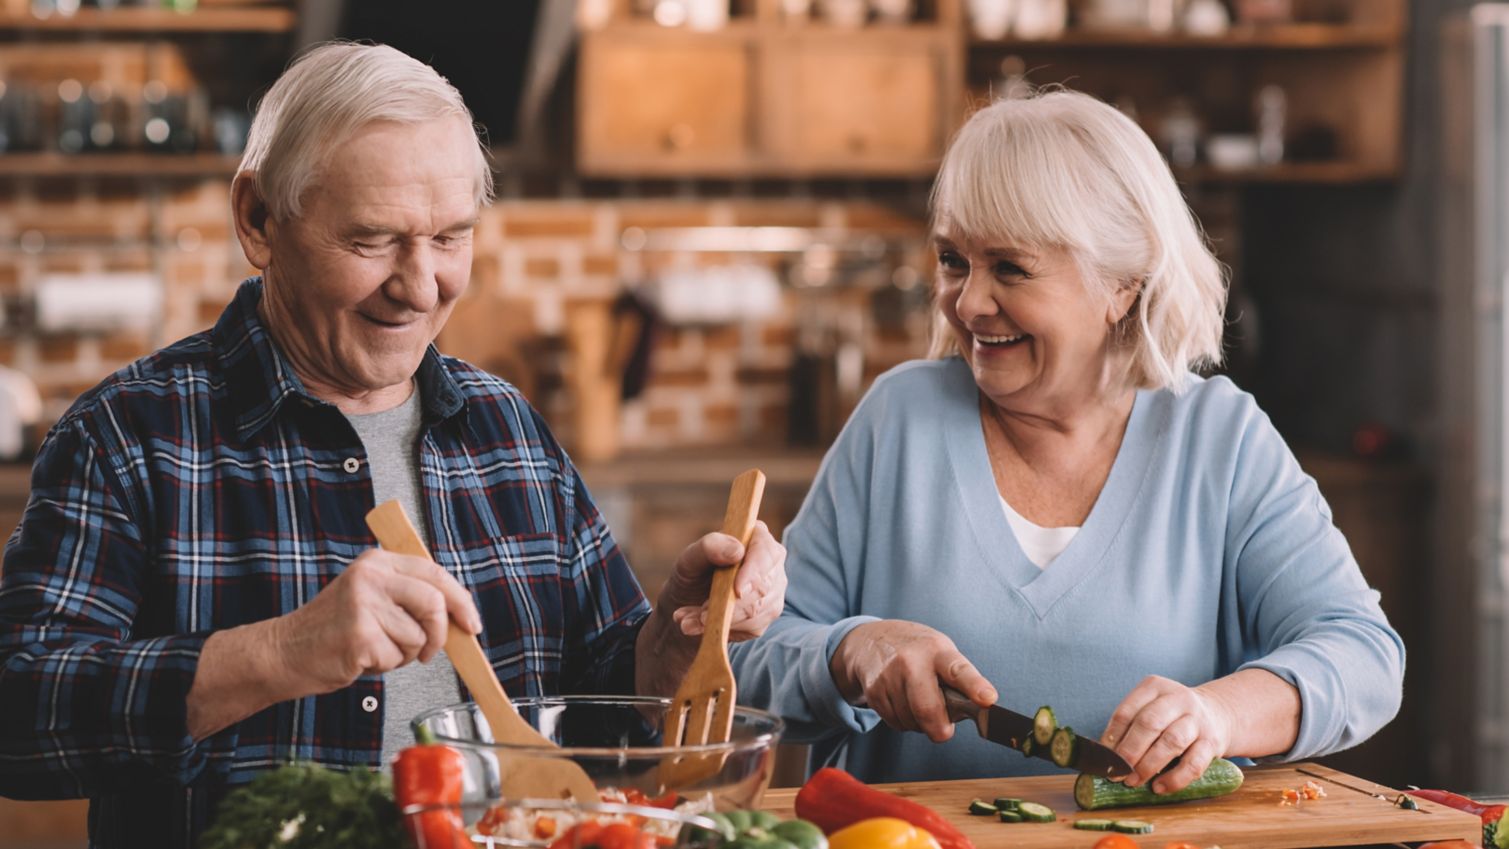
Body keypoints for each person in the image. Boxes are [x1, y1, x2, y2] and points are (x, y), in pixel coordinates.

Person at [0, 43, 786, 848]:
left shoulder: (507, 430)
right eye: (373, 240)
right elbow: (21, 714)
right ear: (259, 219)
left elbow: (596, 699)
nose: (420, 285)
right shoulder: (129, 436)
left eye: (450, 237)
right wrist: (279, 651)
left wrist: (675, 638)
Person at [730, 89, 1403, 791]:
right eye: (953, 260)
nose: (967, 301)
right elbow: (747, 660)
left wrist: (1217, 714)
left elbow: (1363, 657)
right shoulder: (898, 419)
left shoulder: (1217, 439)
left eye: (1010, 268)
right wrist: (848, 650)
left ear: (1122, 284)